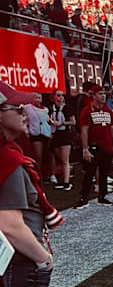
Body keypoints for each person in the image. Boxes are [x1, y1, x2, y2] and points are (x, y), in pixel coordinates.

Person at [0, 81, 64, 287]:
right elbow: (10, 225)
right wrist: (44, 260)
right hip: (19, 259)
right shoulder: (7, 159)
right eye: (18, 108)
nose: (25, 113)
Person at [75, 85, 113, 209]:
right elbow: (84, 131)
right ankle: (84, 198)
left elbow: (112, 130)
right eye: (100, 94)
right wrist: (85, 148)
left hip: (107, 146)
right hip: (94, 146)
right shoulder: (87, 111)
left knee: (104, 173)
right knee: (89, 173)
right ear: (93, 96)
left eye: (104, 94)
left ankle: (102, 196)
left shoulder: (109, 111)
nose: (103, 96)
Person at [48, 89, 75, 191]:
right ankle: (63, 179)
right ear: (53, 97)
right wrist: (50, 122)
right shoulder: (52, 109)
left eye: (62, 95)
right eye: (58, 95)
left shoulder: (67, 108)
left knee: (64, 160)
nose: (61, 97)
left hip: (64, 134)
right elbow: (50, 119)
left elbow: (73, 122)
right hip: (55, 134)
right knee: (58, 157)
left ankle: (66, 182)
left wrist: (62, 123)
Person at [24, 93, 52, 183]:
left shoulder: (45, 109)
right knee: (38, 156)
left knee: (47, 155)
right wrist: (27, 130)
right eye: (36, 98)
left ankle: (47, 174)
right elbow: (24, 119)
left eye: (39, 98)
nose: (38, 100)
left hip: (45, 133)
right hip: (35, 134)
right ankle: (38, 175)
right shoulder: (27, 107)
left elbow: (47, 121)